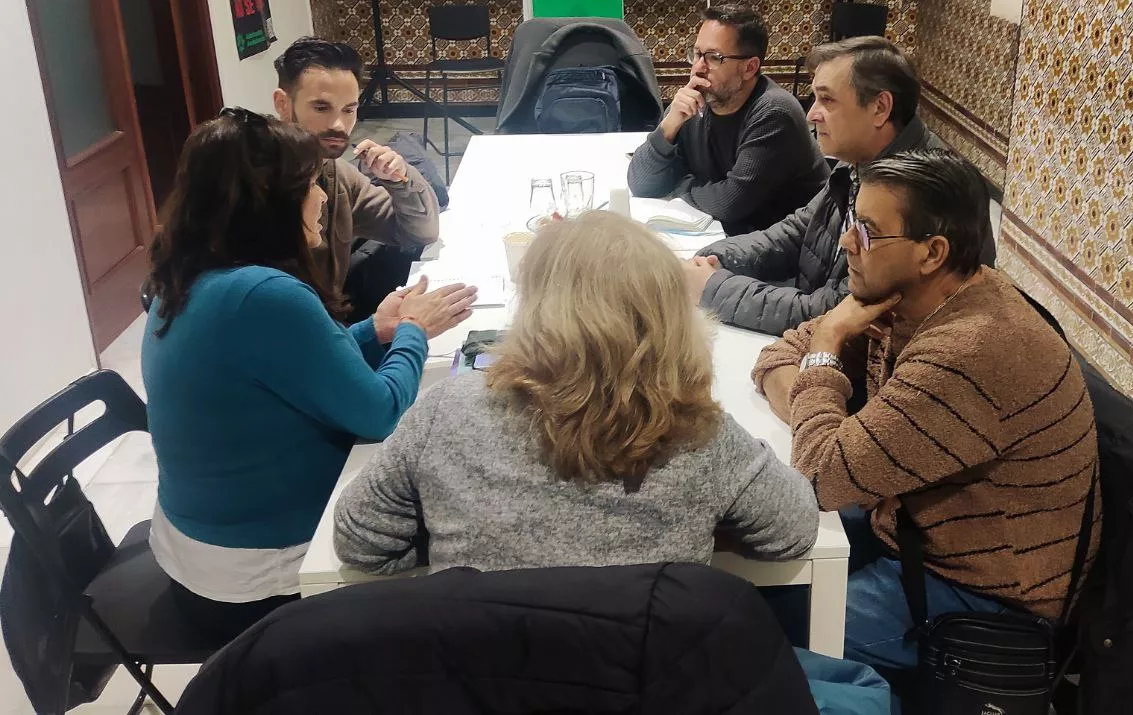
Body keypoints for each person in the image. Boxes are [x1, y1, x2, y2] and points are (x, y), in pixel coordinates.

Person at [752, 150, 1101, 672]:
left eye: (867, 232)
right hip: (906, 527)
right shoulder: (908, 298)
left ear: (932, 252)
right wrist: (826, 417)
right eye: (852, 221)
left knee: (747, 627)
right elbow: (776, 358)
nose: (848, 242)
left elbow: (821, 472)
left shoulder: (971, 349)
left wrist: (825, 351)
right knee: (750, 557)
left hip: (983, 600)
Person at [333, 210, 819, 576]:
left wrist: (457, 527)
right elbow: (794, 530)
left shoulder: (448, 411)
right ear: (672, 317)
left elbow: (359, 540)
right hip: (642, 688)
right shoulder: (698, 435)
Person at [142, 109, 477, 640]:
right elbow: (379, 413)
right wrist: (413, 331)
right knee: (461, 524)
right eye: (311, 185)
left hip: (196, 545)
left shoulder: (190, 273)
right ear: (266, 204)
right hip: (255, 572)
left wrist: (377, 331)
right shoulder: (266, 295)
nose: (323, 198)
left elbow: (296, 362)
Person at [684, 36, 996, 336]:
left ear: (880, 108)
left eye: (827, 99)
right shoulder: (859, 158)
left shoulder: (924, 191)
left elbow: (837, 312)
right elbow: (798, 232)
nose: (811, 114)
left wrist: (714, 287)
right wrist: (715, 258)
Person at [626, 7, 828, 235]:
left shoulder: (774, 112)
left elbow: (730, 202)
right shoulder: (694, 101)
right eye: (696, 54)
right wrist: (668, 126)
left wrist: (676, 187)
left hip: (787, 246)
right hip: (730, 233)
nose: (698, 68)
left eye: (714, 58)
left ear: (749, 68)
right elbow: (640, 183)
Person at [272, 37, 440, 307]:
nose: (339, 124)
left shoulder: (334, 172)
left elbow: (421, 232)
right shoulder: (256, 182)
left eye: (349, 109)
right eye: (321, 108)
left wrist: (399, 180)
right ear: (282, 104)